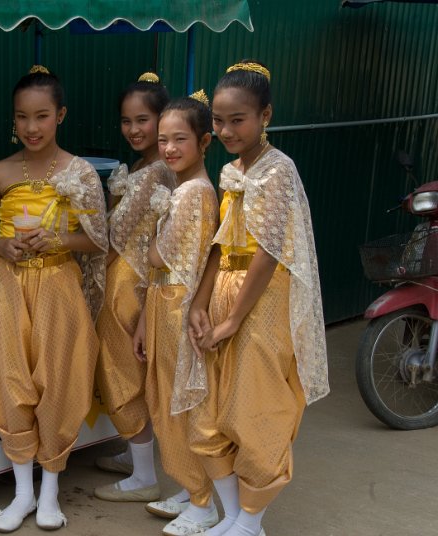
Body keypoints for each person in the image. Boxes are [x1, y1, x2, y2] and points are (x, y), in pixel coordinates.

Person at [186, 61, 329, 536]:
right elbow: (218, 245)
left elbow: (267, 254)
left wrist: (231, 323)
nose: (225, 130)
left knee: (255, 407)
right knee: (209, 410)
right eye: (219, 122)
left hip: (263, 301)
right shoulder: (230, 170)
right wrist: (201, 305)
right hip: (226, 290)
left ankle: (251, 521)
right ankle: (232, 516)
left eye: (237, 120)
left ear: (265, 115)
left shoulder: (279, 170)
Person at [0, 65, 108, 532]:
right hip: (11, 287)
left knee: (58, 381)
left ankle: (50, 492)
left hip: (58, 286)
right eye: (22, 117)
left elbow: (99, 240)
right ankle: (22, 493)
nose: (31, 127)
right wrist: (1, 246)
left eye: (42, 116)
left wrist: (59, 240)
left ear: (60, 116)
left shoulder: (81, 172)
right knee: (9, 380)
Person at [133, 92, 220, 536]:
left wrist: (150, 243)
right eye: (163, 139)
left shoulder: (192, 194)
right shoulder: (185, 190)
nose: (168, 148)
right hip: (163, 304)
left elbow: (156, 256)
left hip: (178, 305)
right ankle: (190, 487)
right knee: (168, 397)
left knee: (180, 403)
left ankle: (203, 503)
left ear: (205, 141)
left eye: (179, 139)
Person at [92, 72, 173, 504]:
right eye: (126, 121)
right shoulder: (146, 166)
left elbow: (112, 234)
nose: (134, 129)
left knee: (123, 370)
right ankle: (136, 456)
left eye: (143, 119)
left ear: (163, 118)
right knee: (131, 372)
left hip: (130, 284)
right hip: (132, 280)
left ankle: (144, 476)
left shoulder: (155, 171)